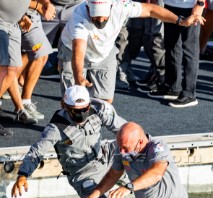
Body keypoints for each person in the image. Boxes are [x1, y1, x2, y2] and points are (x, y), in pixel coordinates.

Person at [11, 85, 127, 198]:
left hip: (105, 155)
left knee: (137, 168)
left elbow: (125, 128)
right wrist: (23, 175)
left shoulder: (99, 109)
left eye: (84, 109)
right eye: (76, 111)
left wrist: (144, 144)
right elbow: (36, 152)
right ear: (65, 106)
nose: (81, 114)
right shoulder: (56, 128)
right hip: (82, 173)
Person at [57, 0, 204, 103]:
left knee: (106, 100)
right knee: (72, 99)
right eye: (96, 17)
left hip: (104, 51)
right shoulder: (79, 18)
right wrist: (79, 79)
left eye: (103, 16)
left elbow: (151, 9)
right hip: (72, 52)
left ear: (111, 8)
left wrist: (180, 21)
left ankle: (94, 128)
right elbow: (78, 51)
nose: (100, 20)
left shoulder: (121, 6)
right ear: (88, 9)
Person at [72, 122, 190, 198]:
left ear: (140, 142)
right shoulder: (121, 151)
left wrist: (128, 187)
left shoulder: (158, 147)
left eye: (125, 148)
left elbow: (157, 173)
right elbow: (113, 175)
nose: (121, 152)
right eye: (120, 147)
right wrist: (93, 195)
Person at [0, 0, 56, 136]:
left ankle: (21, 105)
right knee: (3, 68)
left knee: (12, 68)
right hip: (1, 21)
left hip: (14, 22)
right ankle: (20, 105)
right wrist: (38, 6)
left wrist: (21, 14)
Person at [148, 0, 206, 107]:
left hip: (191, 7)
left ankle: (189, 94)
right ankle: (172, 87)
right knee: (171, 46)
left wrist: (200, 4)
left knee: (190, 50)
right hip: (170, 5)